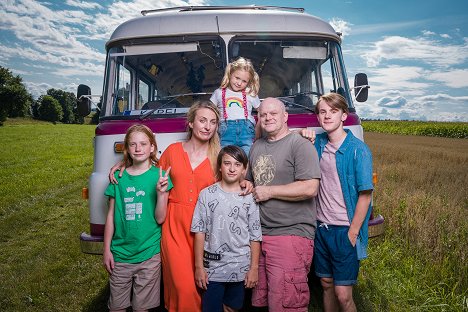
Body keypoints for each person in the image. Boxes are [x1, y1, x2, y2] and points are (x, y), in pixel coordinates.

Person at [245, 98, 321, 312]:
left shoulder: (300, 145)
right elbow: (253, 181)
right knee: (261, 301)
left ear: (285, 116)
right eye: (263, 114)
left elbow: (309, 188)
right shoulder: (257, 146)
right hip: (260, 236)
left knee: (287, 304)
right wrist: (246, 183)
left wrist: (270, 192)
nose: (268, 118)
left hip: (290, 234)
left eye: (273, 113)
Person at [312, 93, 373, 312]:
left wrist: (353, 232)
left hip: (344, 230)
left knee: (343, 295)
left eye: (333, 111)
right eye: (322, 111)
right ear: (318, 117)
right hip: (321, 228)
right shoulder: (317, 145)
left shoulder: (358, 150)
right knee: (326, 285)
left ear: (344, 116)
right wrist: (302, 132)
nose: (327, 116)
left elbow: (365, 195)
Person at [103, 124, 172, 312]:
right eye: (132, 144)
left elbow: (160, 218)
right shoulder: (118, 177)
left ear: (152, 147)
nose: (138, 148)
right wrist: (106, 250)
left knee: (142, 308)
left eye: (143, 144)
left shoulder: (159, 177)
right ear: (126, 149)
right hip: (120, 255)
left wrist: (160, 193)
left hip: (149, 254)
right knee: (116, 307)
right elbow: (110, 216)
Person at [191, 145, 262, 312]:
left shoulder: (249, 198)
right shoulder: (207, 195)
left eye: (237, 164)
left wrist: (254, 268)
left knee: (232, 307)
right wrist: (199, 267)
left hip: (240, 267)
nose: (231, 168)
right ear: (220, 167)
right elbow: (199, 232)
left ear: (245, 169)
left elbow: (255, 236)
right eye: (227, 163)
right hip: (213, 268)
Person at [210, 57, 261, 155]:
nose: (239, 83)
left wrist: (258, 127)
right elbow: (210, 111)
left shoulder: (250, 93)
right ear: (230, 74)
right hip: (225, 131)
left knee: (247, 157)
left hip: (246, 131)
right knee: (226, 157)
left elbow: (262, 111)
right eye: (237, 78)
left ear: (248, 82)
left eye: (244, 81)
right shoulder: (219, 93)